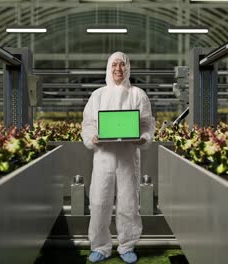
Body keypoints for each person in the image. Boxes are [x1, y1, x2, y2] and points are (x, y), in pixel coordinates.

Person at [81, 51, 156, 263]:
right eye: (114, 65)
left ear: (128, 68)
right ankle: (100, 246)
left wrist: (143, 138)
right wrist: (92, 138)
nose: (118, 69)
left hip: (127, 158)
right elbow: (87, 124)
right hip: (103, 157)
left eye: (122, 65)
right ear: (108, 67)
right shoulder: (98, 95)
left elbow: (147, 124)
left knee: (128, 202)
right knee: (99, 202)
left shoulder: (138, 95)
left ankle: (127, 246)